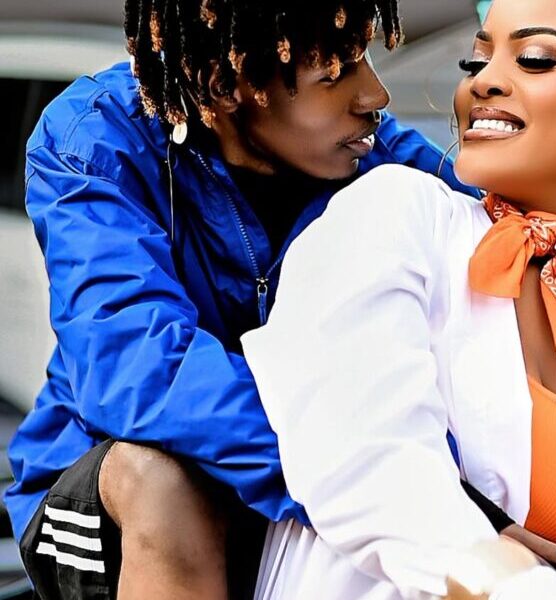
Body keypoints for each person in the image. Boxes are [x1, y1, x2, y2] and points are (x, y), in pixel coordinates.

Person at [241, 0, 556, 597]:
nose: (482, 82)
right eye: (476, 60)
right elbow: (366, 465)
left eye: (534, 59)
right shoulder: (392, 213)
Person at [4, 2, 485, 598]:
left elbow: (515, 236)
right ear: (225, 86)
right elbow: (139, 374)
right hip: (105, 500)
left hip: (297, 479)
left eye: (363, 59)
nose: (375, 95)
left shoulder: (380, 159)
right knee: (163, 481)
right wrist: (372, 480)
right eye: (334, 74)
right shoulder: (95, 138)